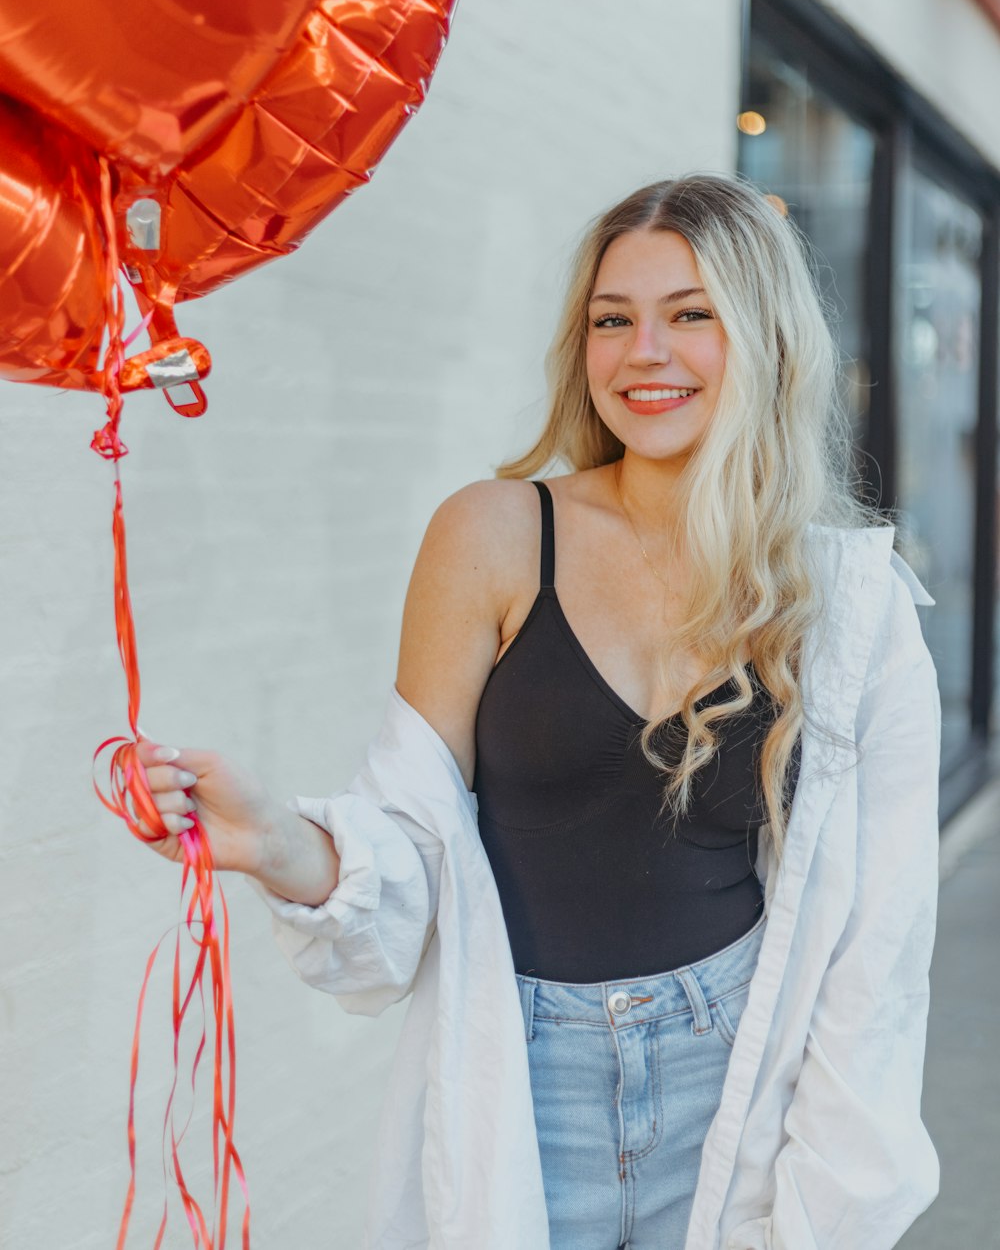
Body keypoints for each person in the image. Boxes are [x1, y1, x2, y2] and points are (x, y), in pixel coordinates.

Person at [134, 172, 942, 1250]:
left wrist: (822, 1209)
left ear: (765, 338)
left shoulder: (848, 601)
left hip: (742, 1074)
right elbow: (411, 839)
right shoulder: (495, 534)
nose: (641, 352)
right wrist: (281, 838)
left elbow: (876, 944)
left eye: (689, 315)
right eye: (612, 319)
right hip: (523, 1075)